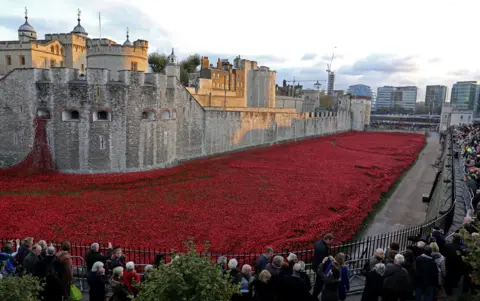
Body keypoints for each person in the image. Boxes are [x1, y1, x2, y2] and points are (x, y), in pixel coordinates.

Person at [312, 233, 334, 298]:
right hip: (320, 268)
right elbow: (324, 260)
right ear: (327, 239)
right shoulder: (324, 248)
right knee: (319, 283)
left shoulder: (318, 243)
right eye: (331, 241)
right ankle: (314, 296)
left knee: (317, 282)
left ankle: (315, 294)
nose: (330, 243)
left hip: (315, 265)